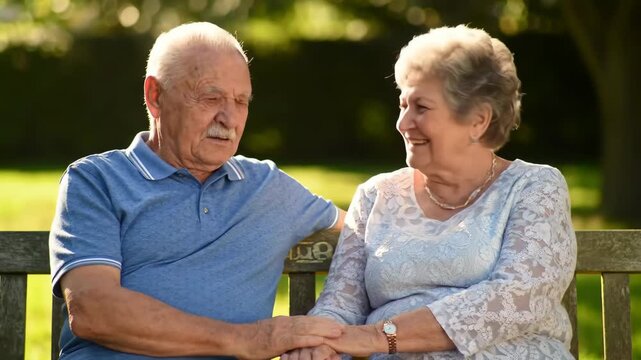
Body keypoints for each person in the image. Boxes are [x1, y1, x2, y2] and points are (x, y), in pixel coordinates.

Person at [48, 22, 346, 359]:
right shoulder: (97, 181)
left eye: (241, 101)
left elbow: (377, 232)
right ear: (155, 96)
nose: (230, 119)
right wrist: (249, 339)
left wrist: (344, 331)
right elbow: (93, 311)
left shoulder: (267, 186)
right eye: (211, 97)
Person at [283, 25, 577, 359]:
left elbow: (518, 299)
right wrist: (319, 341)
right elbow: (341, 303)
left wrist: (380, 337)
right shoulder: (376, 195)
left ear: (478, 120)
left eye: (420, 107)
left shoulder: (534, 188)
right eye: (402, 104)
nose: (402, 123)